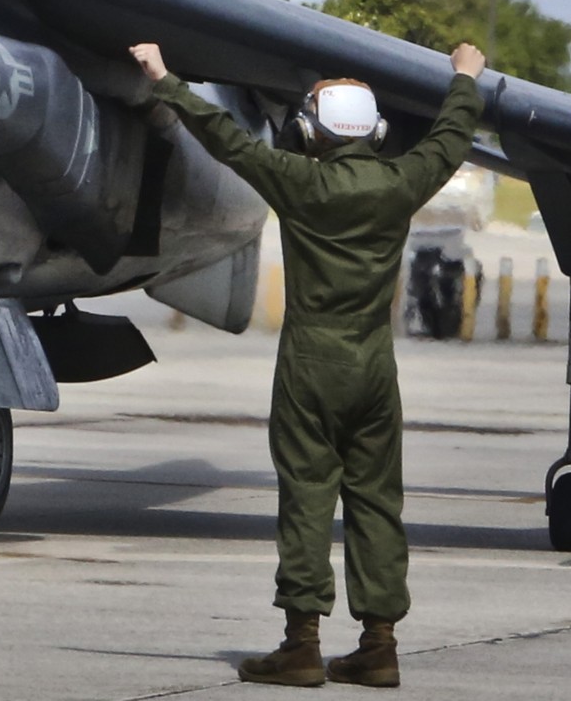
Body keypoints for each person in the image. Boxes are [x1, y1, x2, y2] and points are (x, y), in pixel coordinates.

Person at [129, 40, 486, 688]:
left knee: (307, 497)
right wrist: (464, 77)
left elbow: (227, 141)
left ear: (311, 130)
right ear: (374, 131)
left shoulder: (300, 182)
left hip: (311, 362)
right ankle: (379, 643)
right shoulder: (400, 181)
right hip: (375, 365)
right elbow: (451, 138)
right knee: (377, 502)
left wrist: (163, 78)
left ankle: (301, 644)